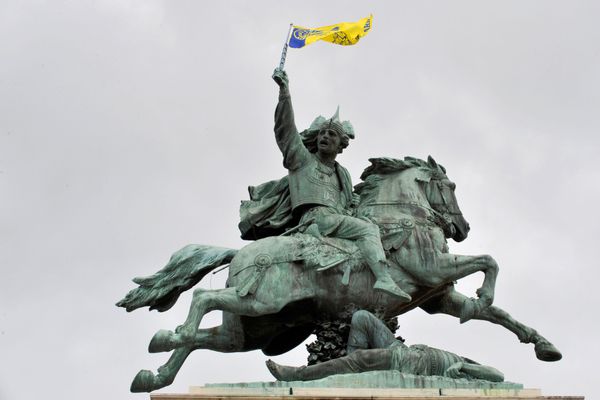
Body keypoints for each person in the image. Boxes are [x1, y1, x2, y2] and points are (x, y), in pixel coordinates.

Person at [271, 68, 410, 301]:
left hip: (335, 221)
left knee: (372, 225)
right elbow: (286, 131)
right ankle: (384, 278)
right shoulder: (302, 160)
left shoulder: (342, 174)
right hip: (316, 219)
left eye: (331, 135)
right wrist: (285, 93)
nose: (325, 137)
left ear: (341, 145)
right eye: (322, 133)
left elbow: (349, 206)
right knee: (367, 230)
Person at [266, 310, 504, 382]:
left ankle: (298, 376)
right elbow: (493, 372)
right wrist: (465, 364)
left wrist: (465, 370)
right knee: (361, 318)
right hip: (405, 350)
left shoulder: (468, 377)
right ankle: (353, 374)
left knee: (359, 361)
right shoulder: (466, 364)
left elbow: (499, 377)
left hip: (414, 364)